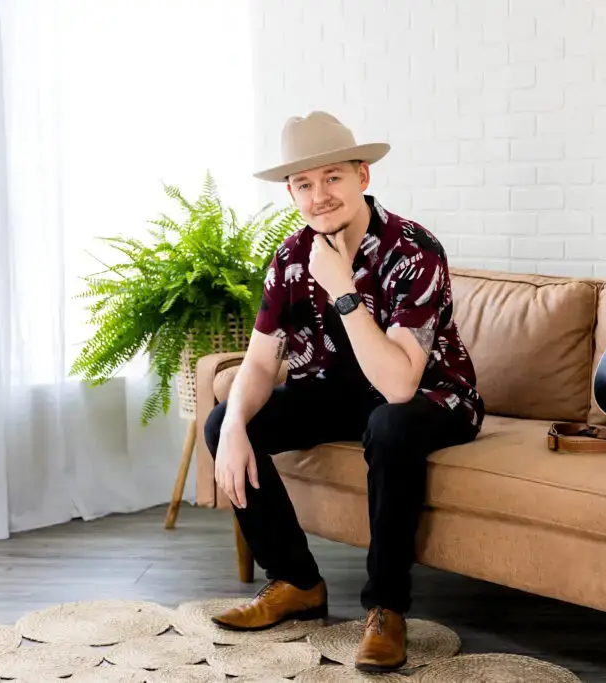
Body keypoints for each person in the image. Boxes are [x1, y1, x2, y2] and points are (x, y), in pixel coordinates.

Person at [203, 111, 484, 673]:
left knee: (389, 422)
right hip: (341, 392)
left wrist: (343, 291)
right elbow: (259, 364)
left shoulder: (414, 250)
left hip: (433, 397)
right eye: (303, 185)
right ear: (291, 193)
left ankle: (386, 608)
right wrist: (233, 426)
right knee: (224, 422)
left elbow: (399, 384)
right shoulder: (288, 258)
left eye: (332, 177)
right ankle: (296, 584)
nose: (318, 196)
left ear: (363, 177)